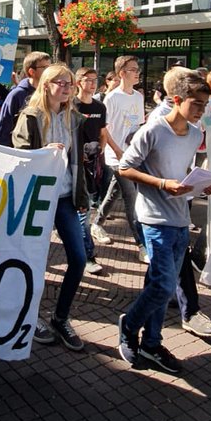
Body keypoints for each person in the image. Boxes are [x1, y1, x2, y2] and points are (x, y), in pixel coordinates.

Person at [116, 68, 211, 374]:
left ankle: (151, 343)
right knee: (163, 286)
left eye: (205, 105)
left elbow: (181, 172)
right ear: (176, 100)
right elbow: (125, 167)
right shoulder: (153, 130)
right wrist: (163, 185)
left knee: (158, 285)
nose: (201, 111)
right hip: (153, 218)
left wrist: (200, 184)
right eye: (196, 104)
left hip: (180, 218)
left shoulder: (196, 134)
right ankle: (129, 325)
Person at [12, 64, 89, 351]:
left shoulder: (75, 118)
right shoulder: (31, 116)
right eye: (61, 82)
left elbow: (76, 162)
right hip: (38, 197)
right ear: (46, 85)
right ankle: (29, 317)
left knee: (79, 258)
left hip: (65, 197)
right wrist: (43, 154)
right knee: (34, 262)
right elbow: (18, 155)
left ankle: (60, 317)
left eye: (70, 83)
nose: (68, 88)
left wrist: (82, 195)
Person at [98, 55, 148, 261]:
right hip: (116, 157)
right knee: (131, 197)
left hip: (133, 154)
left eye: (138, 69)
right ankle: (142, 244)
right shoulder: (112, 98)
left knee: (115, 191)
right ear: (122, 73)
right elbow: (104, 129)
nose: (138, 73)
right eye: (133, 69)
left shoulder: (138, 97)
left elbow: (139, 126)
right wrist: (117, 150)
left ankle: (96, 223)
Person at [74, 66, 120, 273]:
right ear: (78, 82)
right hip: (73, 166)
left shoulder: (100, 107)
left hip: (93, 165)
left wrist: (100, 150)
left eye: (95, 79)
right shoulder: (71, 106)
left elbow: (103, 133)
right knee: (83, 214)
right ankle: (88, 256)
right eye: (88, 80)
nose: (93, 83)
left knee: (83, 211)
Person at [0, 52, 51, 146]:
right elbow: (5, 128)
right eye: (44, 67)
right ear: (32, 72)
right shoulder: (17, 95)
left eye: (50, 67)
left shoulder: (50, 93)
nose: (49, 71)